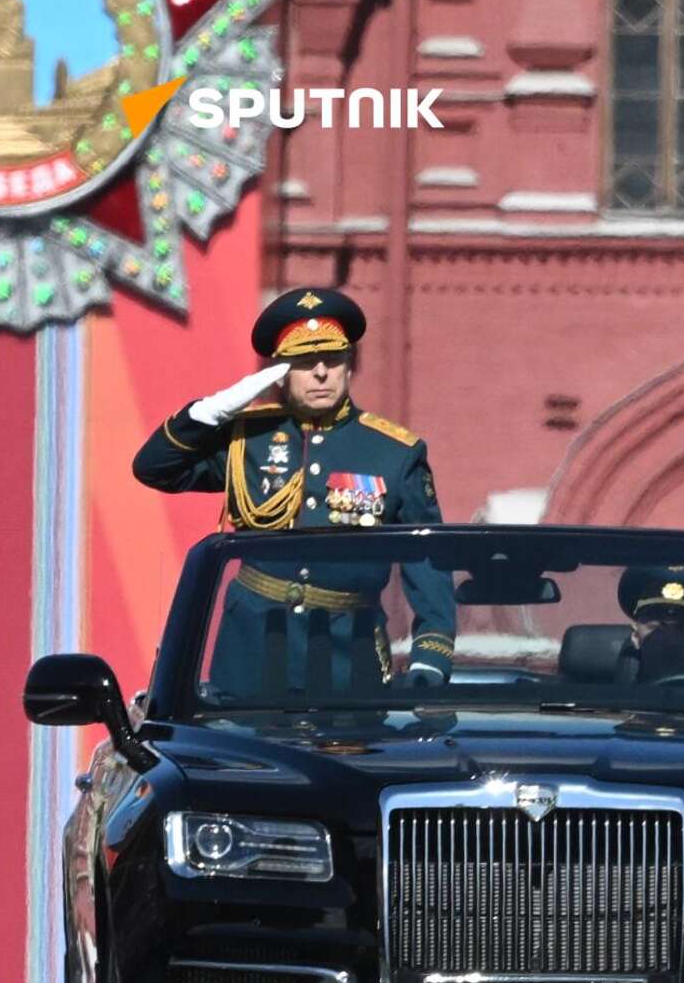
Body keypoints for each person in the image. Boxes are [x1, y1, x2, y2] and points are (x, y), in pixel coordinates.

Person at [132, 287, 456, 696]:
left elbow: (428, 561)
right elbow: (155, 469)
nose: (320, 372)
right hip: (251, 650)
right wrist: (207, 413)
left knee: (349, 756)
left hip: (347, 654)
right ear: (280, 371)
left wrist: (431, 655)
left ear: (349, 365)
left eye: (332, 360)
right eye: (303, 362)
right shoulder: (248, 440)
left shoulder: (394, 452)